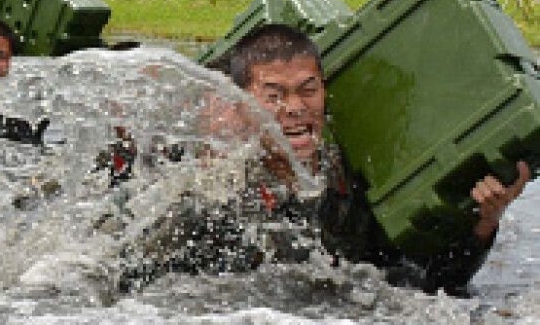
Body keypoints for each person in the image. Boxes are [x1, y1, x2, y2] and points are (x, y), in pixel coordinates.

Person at [123, 24, 528, 293]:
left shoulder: (350, 181)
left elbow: (424, 282)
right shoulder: (217, 196)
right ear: (242, 103)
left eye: (308, 90)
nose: (295, 108)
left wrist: (484, 223)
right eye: (274, 96)